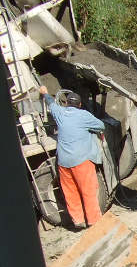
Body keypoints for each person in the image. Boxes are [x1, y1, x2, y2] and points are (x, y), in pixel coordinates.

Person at [38, 85, 105, 228]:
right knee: (88, 191)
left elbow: (51, 103)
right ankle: (94, 221)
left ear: (66, 103)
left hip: (63, 162)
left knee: (70, 192)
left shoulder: (60, 113)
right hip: (81, 161)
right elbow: (100, 126)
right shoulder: (84, 115)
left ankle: (78, 220)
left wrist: (44, 92)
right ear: (80, 105)